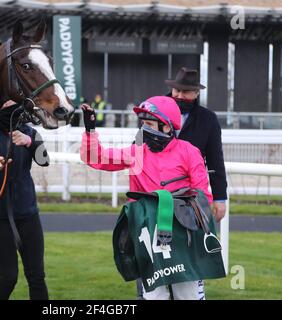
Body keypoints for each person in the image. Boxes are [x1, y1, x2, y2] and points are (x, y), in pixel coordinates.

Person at [80, 96, 213, 300]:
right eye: (143, 124)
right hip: (148, 235)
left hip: (183, 235)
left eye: (149, 124)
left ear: (167, 126)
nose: (144, 129)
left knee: (188, 295)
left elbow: (203, 196)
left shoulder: (189, 152)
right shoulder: (137, 152)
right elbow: (95, 158)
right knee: (154, 296)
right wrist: (90, 130)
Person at [0, 100, 50, 300]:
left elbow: (44, 160)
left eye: (14, 100)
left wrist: (30, 143)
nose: (10, 103)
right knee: (8, 278)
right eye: (6, 99)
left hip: (27, 212)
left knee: (37, 276)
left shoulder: (29, 132)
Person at [165, 67, 227, 222]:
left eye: (185, 92)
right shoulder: (154, 111)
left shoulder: (208, 119)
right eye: (177, 91)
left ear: (196, 93)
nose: (179, 96)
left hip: (191, 195)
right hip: (157, 191)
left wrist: (220, 198)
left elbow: (215, 161)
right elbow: (138, 149)